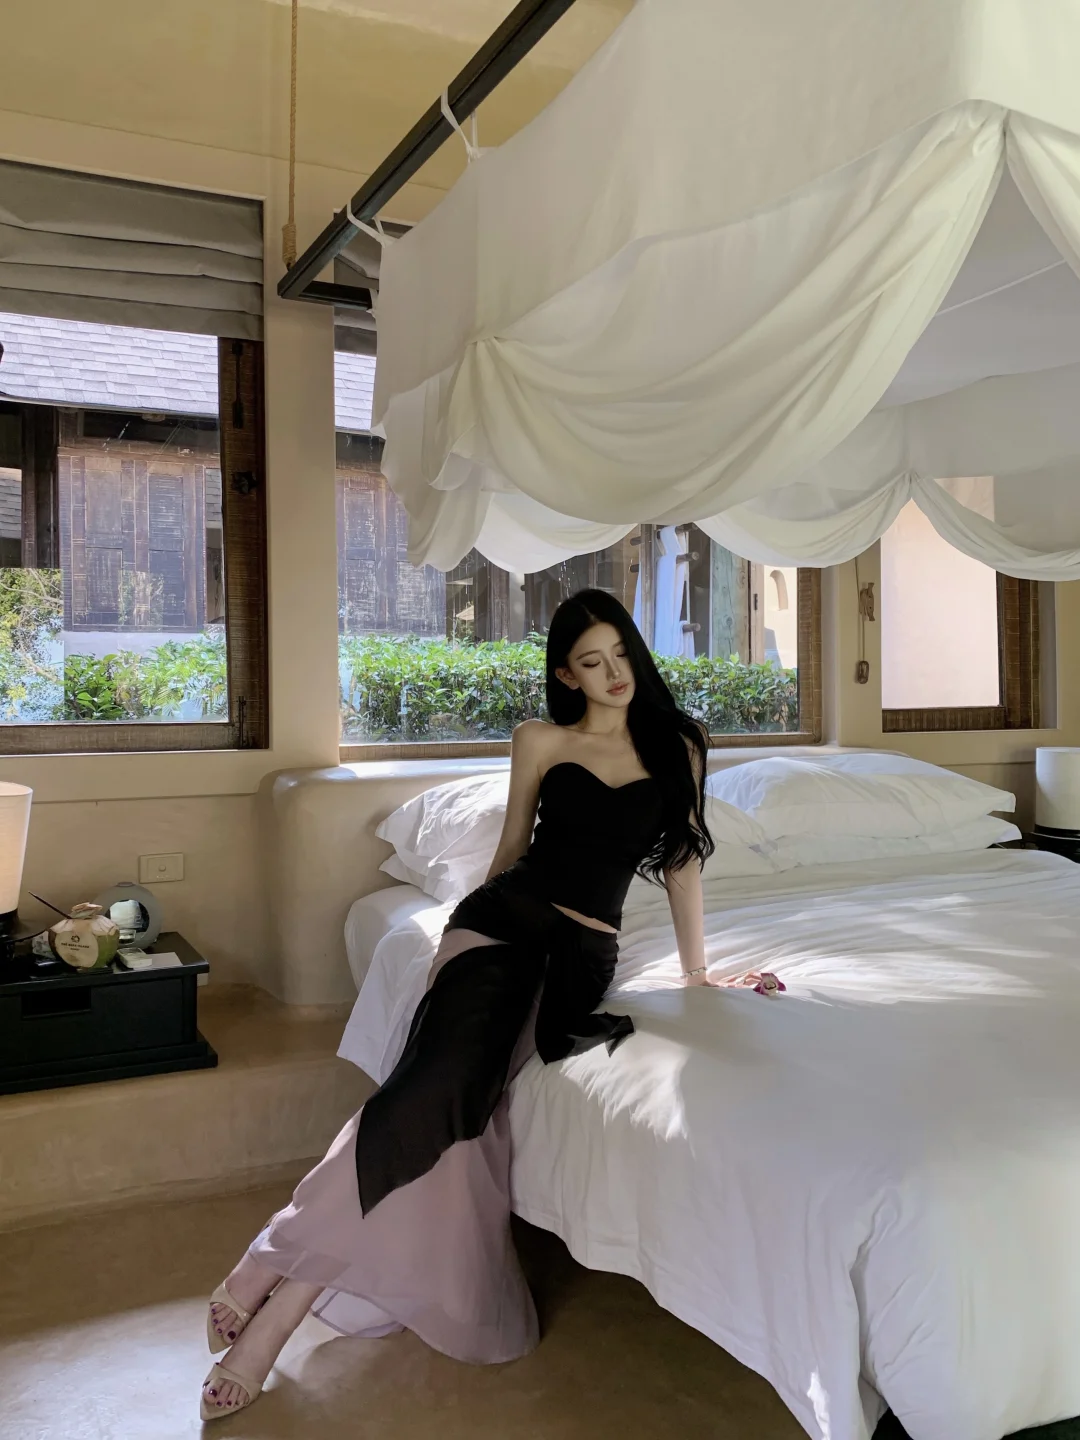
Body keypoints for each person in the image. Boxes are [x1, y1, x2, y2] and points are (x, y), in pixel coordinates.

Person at [200, 588, 717, 1420]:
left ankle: (274, 1267)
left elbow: (684, 865)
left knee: (451, 1104)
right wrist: (450, 948)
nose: (614, 673)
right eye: (592, 663)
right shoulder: (541, 739)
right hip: (500, 924)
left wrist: (698, 973)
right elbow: (513, 847)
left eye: (622, 654)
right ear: (566, 675)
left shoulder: (679, 743)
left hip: (580, 956)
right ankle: (271, 1316)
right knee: (442, 1088)